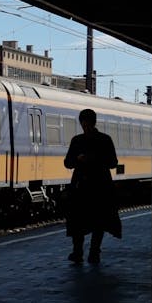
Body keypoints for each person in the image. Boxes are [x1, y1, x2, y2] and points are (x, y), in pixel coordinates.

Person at [63, 107, 121, 264]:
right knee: (98, 221)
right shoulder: (105, 139)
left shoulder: (77, 141)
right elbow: (113, 163)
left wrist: (84, 160)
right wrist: (87, 159)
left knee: (78, 221)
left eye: (85, 123)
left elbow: (68, 163)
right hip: (100, 186)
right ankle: (92, 252)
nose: (85, 126)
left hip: (82, 187)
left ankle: (79, 252)